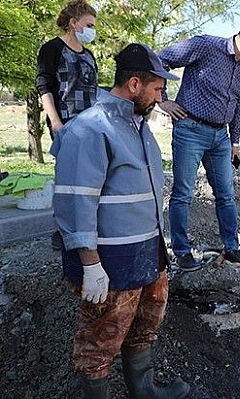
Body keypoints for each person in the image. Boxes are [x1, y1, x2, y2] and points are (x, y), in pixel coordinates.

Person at [51, 43, 189, 398]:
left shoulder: (137, 126)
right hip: (111, 261)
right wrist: (90, 264)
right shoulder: (90, 129)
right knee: (101, 337)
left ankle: (143, 391)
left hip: (147, 252)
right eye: (157, 88)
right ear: (133, 85)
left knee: (144, 325)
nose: (161, 97)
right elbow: (75, 200)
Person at [157, 18, 240, 272]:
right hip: (190, 129)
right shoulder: (205, 46)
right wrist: (162, 100)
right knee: (183, 193)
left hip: (220, 137)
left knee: (226, 195)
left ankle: (231, 247)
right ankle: (181, 252)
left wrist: (234, 140)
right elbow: (160, 60)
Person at [36, 0, 99, 251]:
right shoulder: (52, 49)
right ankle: (58, 230)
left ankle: (86, 228)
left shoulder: (89, 54)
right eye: (89, 24)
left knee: (90, 178)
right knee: (67, 177)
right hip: (65, 122)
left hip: (91, 124)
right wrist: (55, 121)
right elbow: (44, 87)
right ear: (73, 24)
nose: (93, 30)